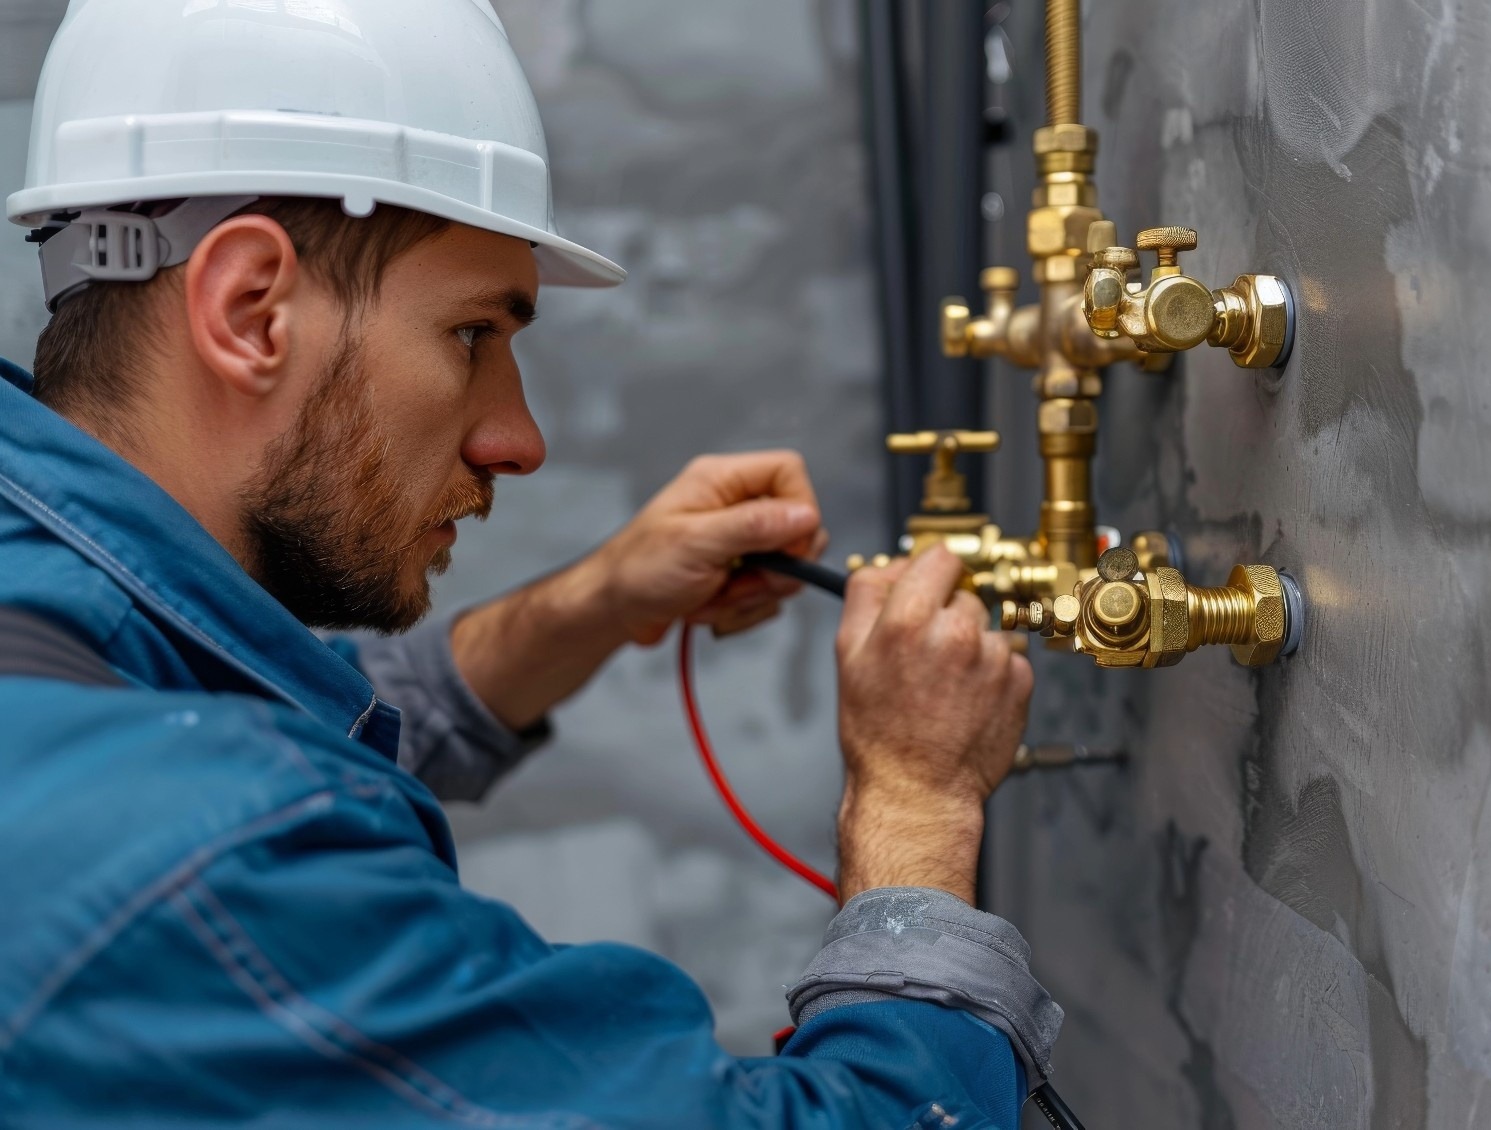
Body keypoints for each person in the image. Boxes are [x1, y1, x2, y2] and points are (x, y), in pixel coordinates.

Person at [0, 1, 1058, 1125]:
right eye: (472, 335)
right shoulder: (201, 859)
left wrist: (594, 604)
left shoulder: (62, 630)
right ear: (252, 309)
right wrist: (917, 802)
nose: (520, 439)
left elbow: (202, 698)